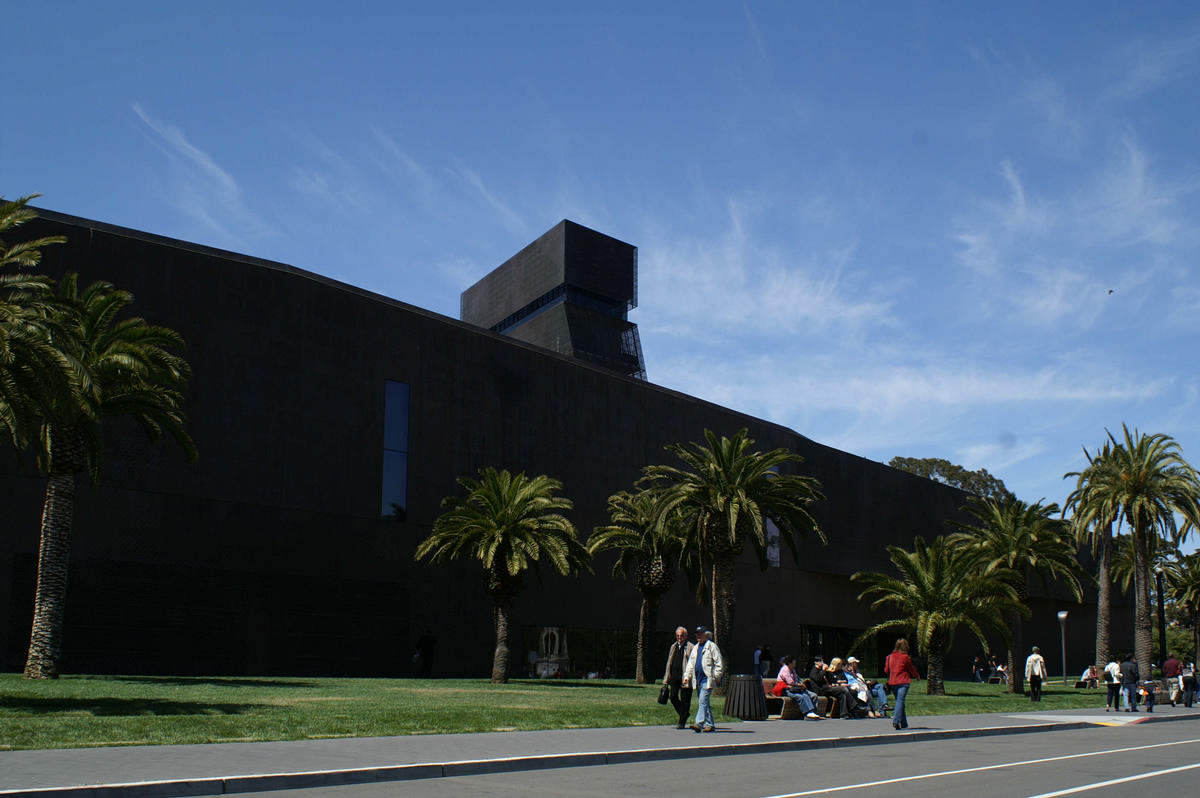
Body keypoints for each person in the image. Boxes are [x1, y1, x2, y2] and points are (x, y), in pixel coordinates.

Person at [682, 625, 724, 733]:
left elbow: (719, 663)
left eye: (700, 634)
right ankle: (710, 724)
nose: (698, 636)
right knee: (705, 703)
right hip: (698, 679)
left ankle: (699, 723)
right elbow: (691, 664)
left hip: (707, 679)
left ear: (706, 635)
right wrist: (687, 677)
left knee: (702, 701)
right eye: (697, 635)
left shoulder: (712, 647)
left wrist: (717, 676)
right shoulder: (695, 648)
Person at [662, 626, 694, 729]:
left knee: (685, 700)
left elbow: (692, 662)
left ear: (686, 636)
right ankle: (684, 714)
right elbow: (669, 662)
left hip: (685, 678)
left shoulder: (690, 647)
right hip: (674, 677)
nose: (679, 637)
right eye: (678, 635)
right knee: (673, 697)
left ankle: (682, 722)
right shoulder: (674, 646)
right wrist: (666, 679)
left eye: (681, 635)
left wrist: (689, 676)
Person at [884, 638, 920, 730]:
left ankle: (904, 723)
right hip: (903, 681)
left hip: (893, 682)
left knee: (899, 701)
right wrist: (916, 675)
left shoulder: (889, 657)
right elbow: (911, 668)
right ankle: (896, 721)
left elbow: (886, 670)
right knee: (900, 701)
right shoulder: (905, 657)